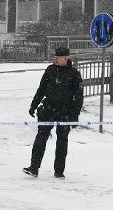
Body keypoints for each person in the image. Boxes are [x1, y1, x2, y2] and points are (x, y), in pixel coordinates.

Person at [23, 46, 84, 178]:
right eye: (54, 57)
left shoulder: (74, 74)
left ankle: (59, 171)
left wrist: (75, 115)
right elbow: (41, 89)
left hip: (65, 112)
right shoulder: (50, 70)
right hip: (48, 109)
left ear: (66, 58)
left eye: (58, 57)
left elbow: (78, 97)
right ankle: (34, 168)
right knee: (41, 138)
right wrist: (33, 105)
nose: (55, 59)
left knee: (62, 141)